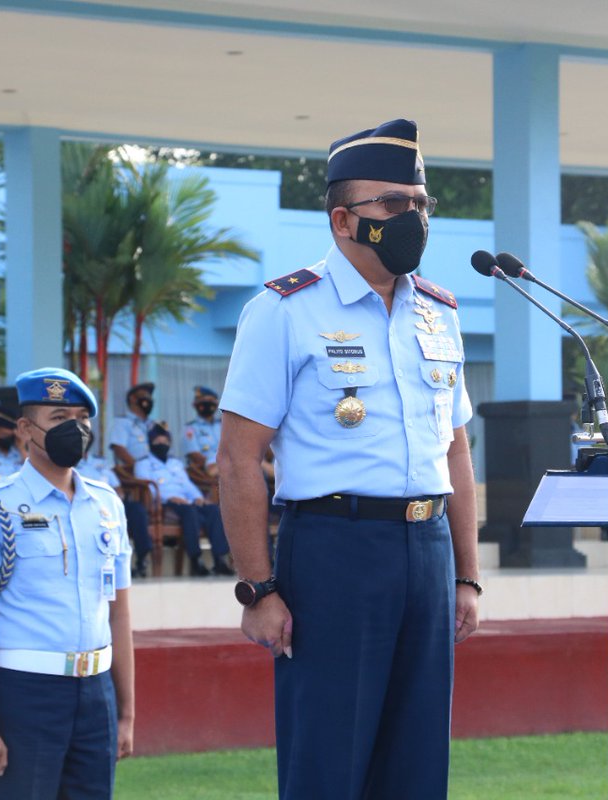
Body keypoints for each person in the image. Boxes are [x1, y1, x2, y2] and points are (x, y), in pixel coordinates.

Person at [217, 118, 480, 800]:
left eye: (420, 204)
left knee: (418, 762)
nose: (412, 218)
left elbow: (456, 450)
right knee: (328, 760)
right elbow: (239, 459)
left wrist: (467, 577)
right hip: (335, 550)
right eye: (393, 205)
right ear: (343, 220)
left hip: (426, 549)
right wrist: (258, 588)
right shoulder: (285, 311)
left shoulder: (438, 313)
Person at [0, 367, 134, 799]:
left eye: (82, 418)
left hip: (96, 695)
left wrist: (125, 714)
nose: (75, 428)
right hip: (23, 695)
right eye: (59, 417)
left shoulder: (107, 505)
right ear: (25, 429)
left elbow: (119, 613)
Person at [136, 424, 233, 577]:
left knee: (213, 510)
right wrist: (168, 497)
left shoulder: (176, 464)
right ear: (150, 443)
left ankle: (220, 560)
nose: (162, 444)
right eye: (157, 441)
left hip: (187, 501)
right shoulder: (143, 464)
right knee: (190, 512)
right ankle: (196, 560)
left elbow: (187, 484)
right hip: (164, 503)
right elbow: (148, 487)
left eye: (165, 441)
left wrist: (198, 497)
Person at [79, 449, 154, 578]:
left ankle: (142, 559)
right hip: (85, 506)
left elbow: (117, 486)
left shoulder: (101, 462)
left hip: (110, 504)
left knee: (137, 510)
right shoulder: (69, 463)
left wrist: (117, 498)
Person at [182, 386, 221, 497]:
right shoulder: (190, 429)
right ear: (195, 405)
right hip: (210, 468)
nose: (206, 404)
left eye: (209, 401)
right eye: (202, 402)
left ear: (216, 403)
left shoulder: (223, 425)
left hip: (229, 463)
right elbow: (194, 456)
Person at [108, 383, 155, 470]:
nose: (148, 398)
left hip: (158, 474)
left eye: (150, 396)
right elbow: (119, 449)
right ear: (132, 398)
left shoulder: (153, 425)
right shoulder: (122, 422)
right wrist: (139, 469)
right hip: (135, 475)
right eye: (145, 395)